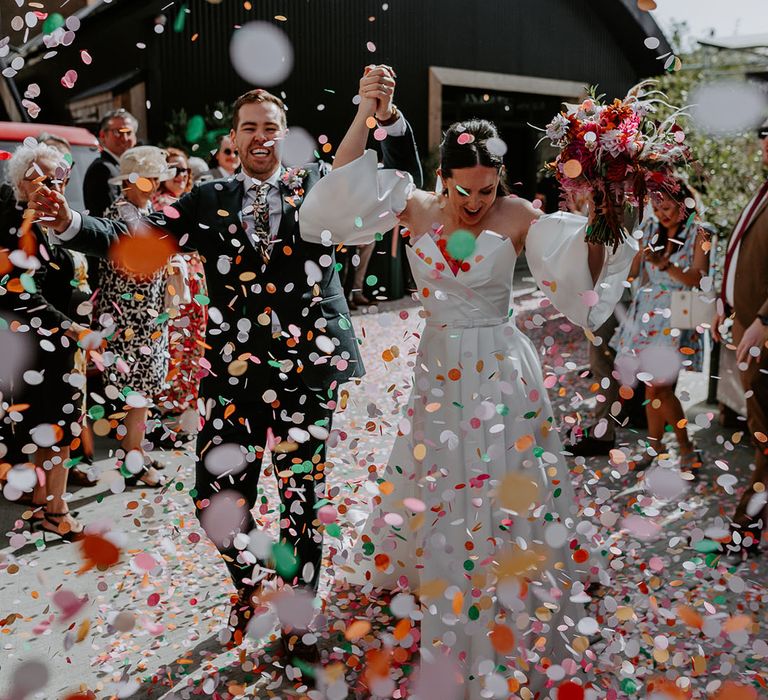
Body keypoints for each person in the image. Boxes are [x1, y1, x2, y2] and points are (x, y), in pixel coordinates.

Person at [31, 66, 422, 680]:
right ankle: (252, 582)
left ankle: (296, 620)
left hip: (306, 372)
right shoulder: (208, 200)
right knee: (213, 501)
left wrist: (386, 116)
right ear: (233, 140)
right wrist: (69, 225)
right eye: (248, 128)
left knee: (300, 503)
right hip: (233, 380)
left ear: (286, 135)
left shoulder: (316, 185)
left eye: (271, 127)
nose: (260, 137)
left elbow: (398, 176)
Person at [298, 107, 636, 696]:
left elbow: (585, 278)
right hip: (439, 363)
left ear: (500, 181)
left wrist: (605, 211)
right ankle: (444, 567)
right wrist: (362, 111)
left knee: (500, 473)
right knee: (440, 472)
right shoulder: (412, 206)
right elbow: (334, 202)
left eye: (486, 189)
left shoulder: (521, 217)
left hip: (501, 364)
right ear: (442, 176)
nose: (475, 201)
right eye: (463, 189)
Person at [0, 143, 89, 540]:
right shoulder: (18, 225)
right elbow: (16, 291)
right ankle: (57, 509)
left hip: (51, 345)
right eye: (45, 179)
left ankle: (42, 499)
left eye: (60, 178)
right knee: (57, 425)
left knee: (50, 425)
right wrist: (70, 326)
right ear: (23, 183)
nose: (55, 185)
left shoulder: (50, 222)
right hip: (39, 345)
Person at [611, 180, 710, 471]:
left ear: (684, 205)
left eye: (666, 207)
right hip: (648, 314)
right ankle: (656, 449)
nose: (661, 213)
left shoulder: (699, 233)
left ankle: (685, 448)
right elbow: (634, 273)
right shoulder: (651, 231)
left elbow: (698, 278)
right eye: (656, 208)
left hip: (678, 314)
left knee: (660, 389)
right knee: (652, 389)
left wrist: (666, 265)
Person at [94, 146, 176, 488]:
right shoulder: (120, 216)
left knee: (142, 393)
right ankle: (133, 461)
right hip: (130, 321)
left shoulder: (143, 212)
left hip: (146, 318)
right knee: (136, 393)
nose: (155, 185)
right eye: (149, 178)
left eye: (156, 179)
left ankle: (135, 450)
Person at [713, 117, 768, 557]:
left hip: (762, 333)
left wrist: (764, 319)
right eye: (764, 138)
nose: (765, 146)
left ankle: (745, 525)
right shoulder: (763, 192)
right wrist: (724, 304)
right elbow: (740, 255)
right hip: (745, 325)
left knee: (764, 430)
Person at [151, 147, 208, 439]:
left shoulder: (188, 202)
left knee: (193, 349)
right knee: (176, 350)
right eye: (173, 168)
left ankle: (184, 419)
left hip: (195, 289)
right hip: (174, 291)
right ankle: (170, 421)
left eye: (185, 170)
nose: (180, 175)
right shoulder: (159, 205)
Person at [82, 109, 139, 217]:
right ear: (103, 136)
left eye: (129, 132)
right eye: (118, 132)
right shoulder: (102, 169)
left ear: (135, 137)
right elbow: (108, 218)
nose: (124, 138)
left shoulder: (123, 167)